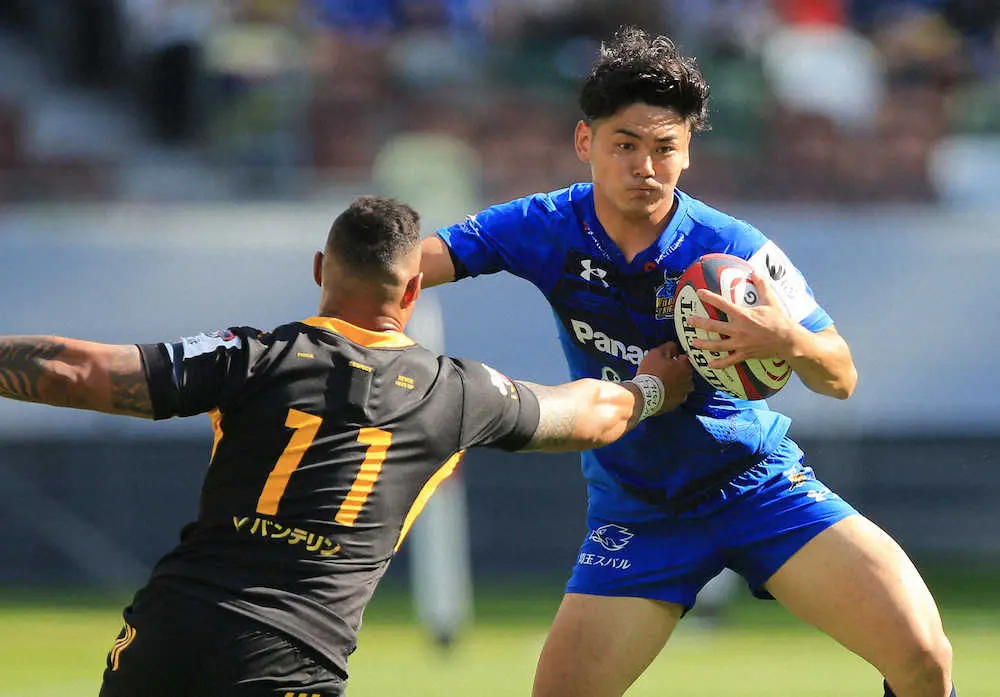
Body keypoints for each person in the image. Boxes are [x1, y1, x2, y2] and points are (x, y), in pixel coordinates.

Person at [420, 26, 956, 697]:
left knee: (924, 657)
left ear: (688, 151)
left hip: (758, 487)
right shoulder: (544, 226)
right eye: (625, 145)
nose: (645, 166)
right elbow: (413, 264)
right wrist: (357, 294)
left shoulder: (732, 248)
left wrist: (785, 338)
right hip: (638, 512)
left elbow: (841, 376)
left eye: (664, 147)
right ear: (586, 143)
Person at [0, 195, 692, 697]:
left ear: (318, 269)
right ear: (414, 289)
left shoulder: (251, 354)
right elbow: (588, 415)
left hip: (168, 631)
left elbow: (77, 371)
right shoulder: (458, 393)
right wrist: (652, 388)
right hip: (293, 652)